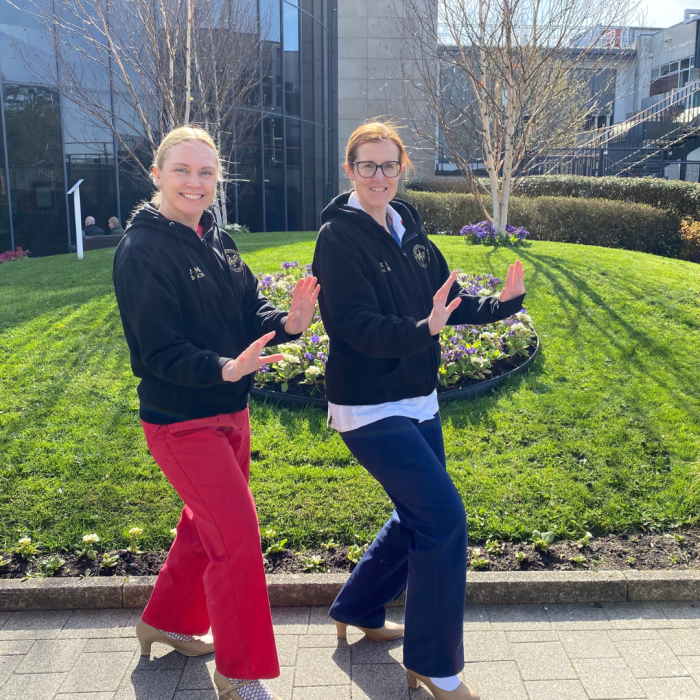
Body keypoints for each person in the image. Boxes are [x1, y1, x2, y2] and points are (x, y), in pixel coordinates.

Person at [312, 122, 526, 700]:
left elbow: (445, 300)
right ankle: (434, 664)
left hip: (418, 398)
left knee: (417, 515)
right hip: (367, 404)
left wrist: (501, 304)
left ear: (401, 167)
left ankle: (359, 606)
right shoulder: (338, 237)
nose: (379, 176)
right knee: (443, 518)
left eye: (389, 165)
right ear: (350, 169)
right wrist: (422, 329)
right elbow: (353, 326)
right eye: (367, 165)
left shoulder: (408, 224)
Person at [113, 125, 320, 700]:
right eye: (182, 170)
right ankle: (240, 671)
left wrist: (288, 322)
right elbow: (157, 352)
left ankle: (165, 621)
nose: (195, 182)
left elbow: (249, 306)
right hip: (180, 422)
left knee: (205, 528)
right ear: (157, 174)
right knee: (237, 537)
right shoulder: (141, 251)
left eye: (206, 172)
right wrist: (225, 367)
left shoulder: (218, 237)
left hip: (231, 411)